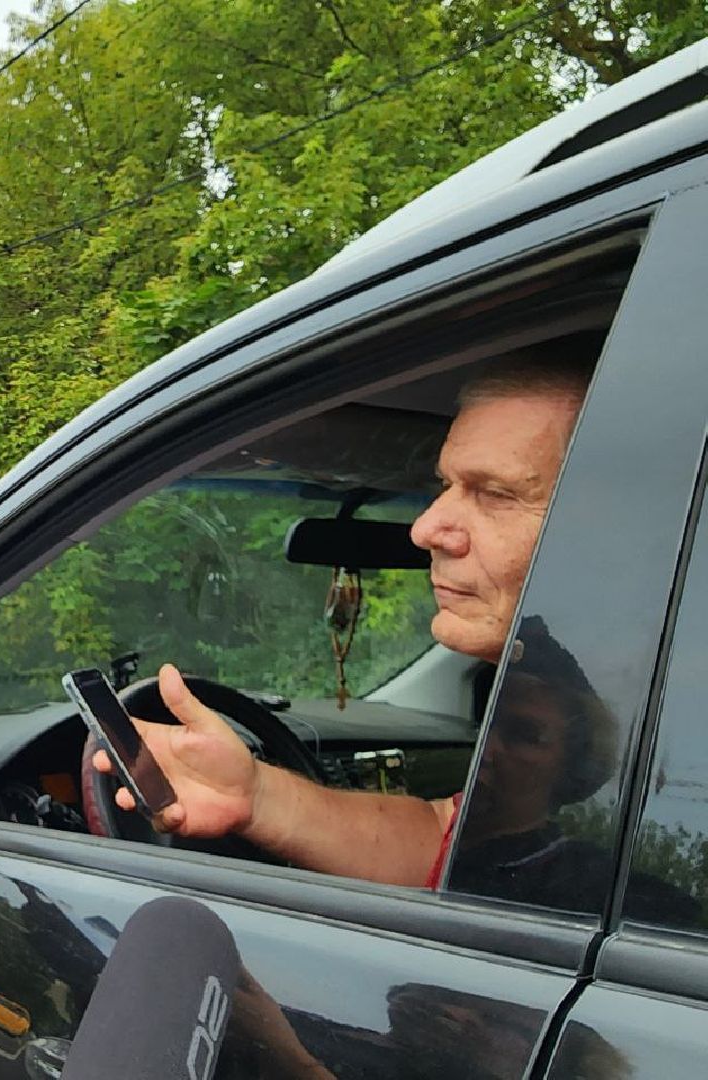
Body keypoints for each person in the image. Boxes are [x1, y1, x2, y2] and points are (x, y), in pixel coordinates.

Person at [93, 344, 601, 887]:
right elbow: (449, 844)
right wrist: (257, 796)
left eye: (496, 494)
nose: (425, 528)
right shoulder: (593, 683)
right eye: (446, 487)